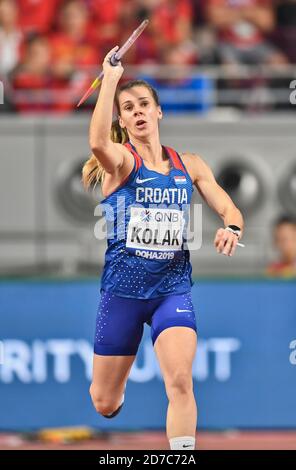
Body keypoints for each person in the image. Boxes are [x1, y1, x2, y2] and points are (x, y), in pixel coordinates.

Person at [82, 46, 244, 451]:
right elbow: (98, 140)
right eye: (128, 108)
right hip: (123, 294)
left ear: (158, 112)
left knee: (180, 381)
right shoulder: (121, 162)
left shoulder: (188, 164)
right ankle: (112, 397)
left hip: (171, 290)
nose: (137, 112)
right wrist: (111, 81)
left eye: (144, 105)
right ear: (123, 119)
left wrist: (233, 226)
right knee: (103, 403)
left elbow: (227, 205)